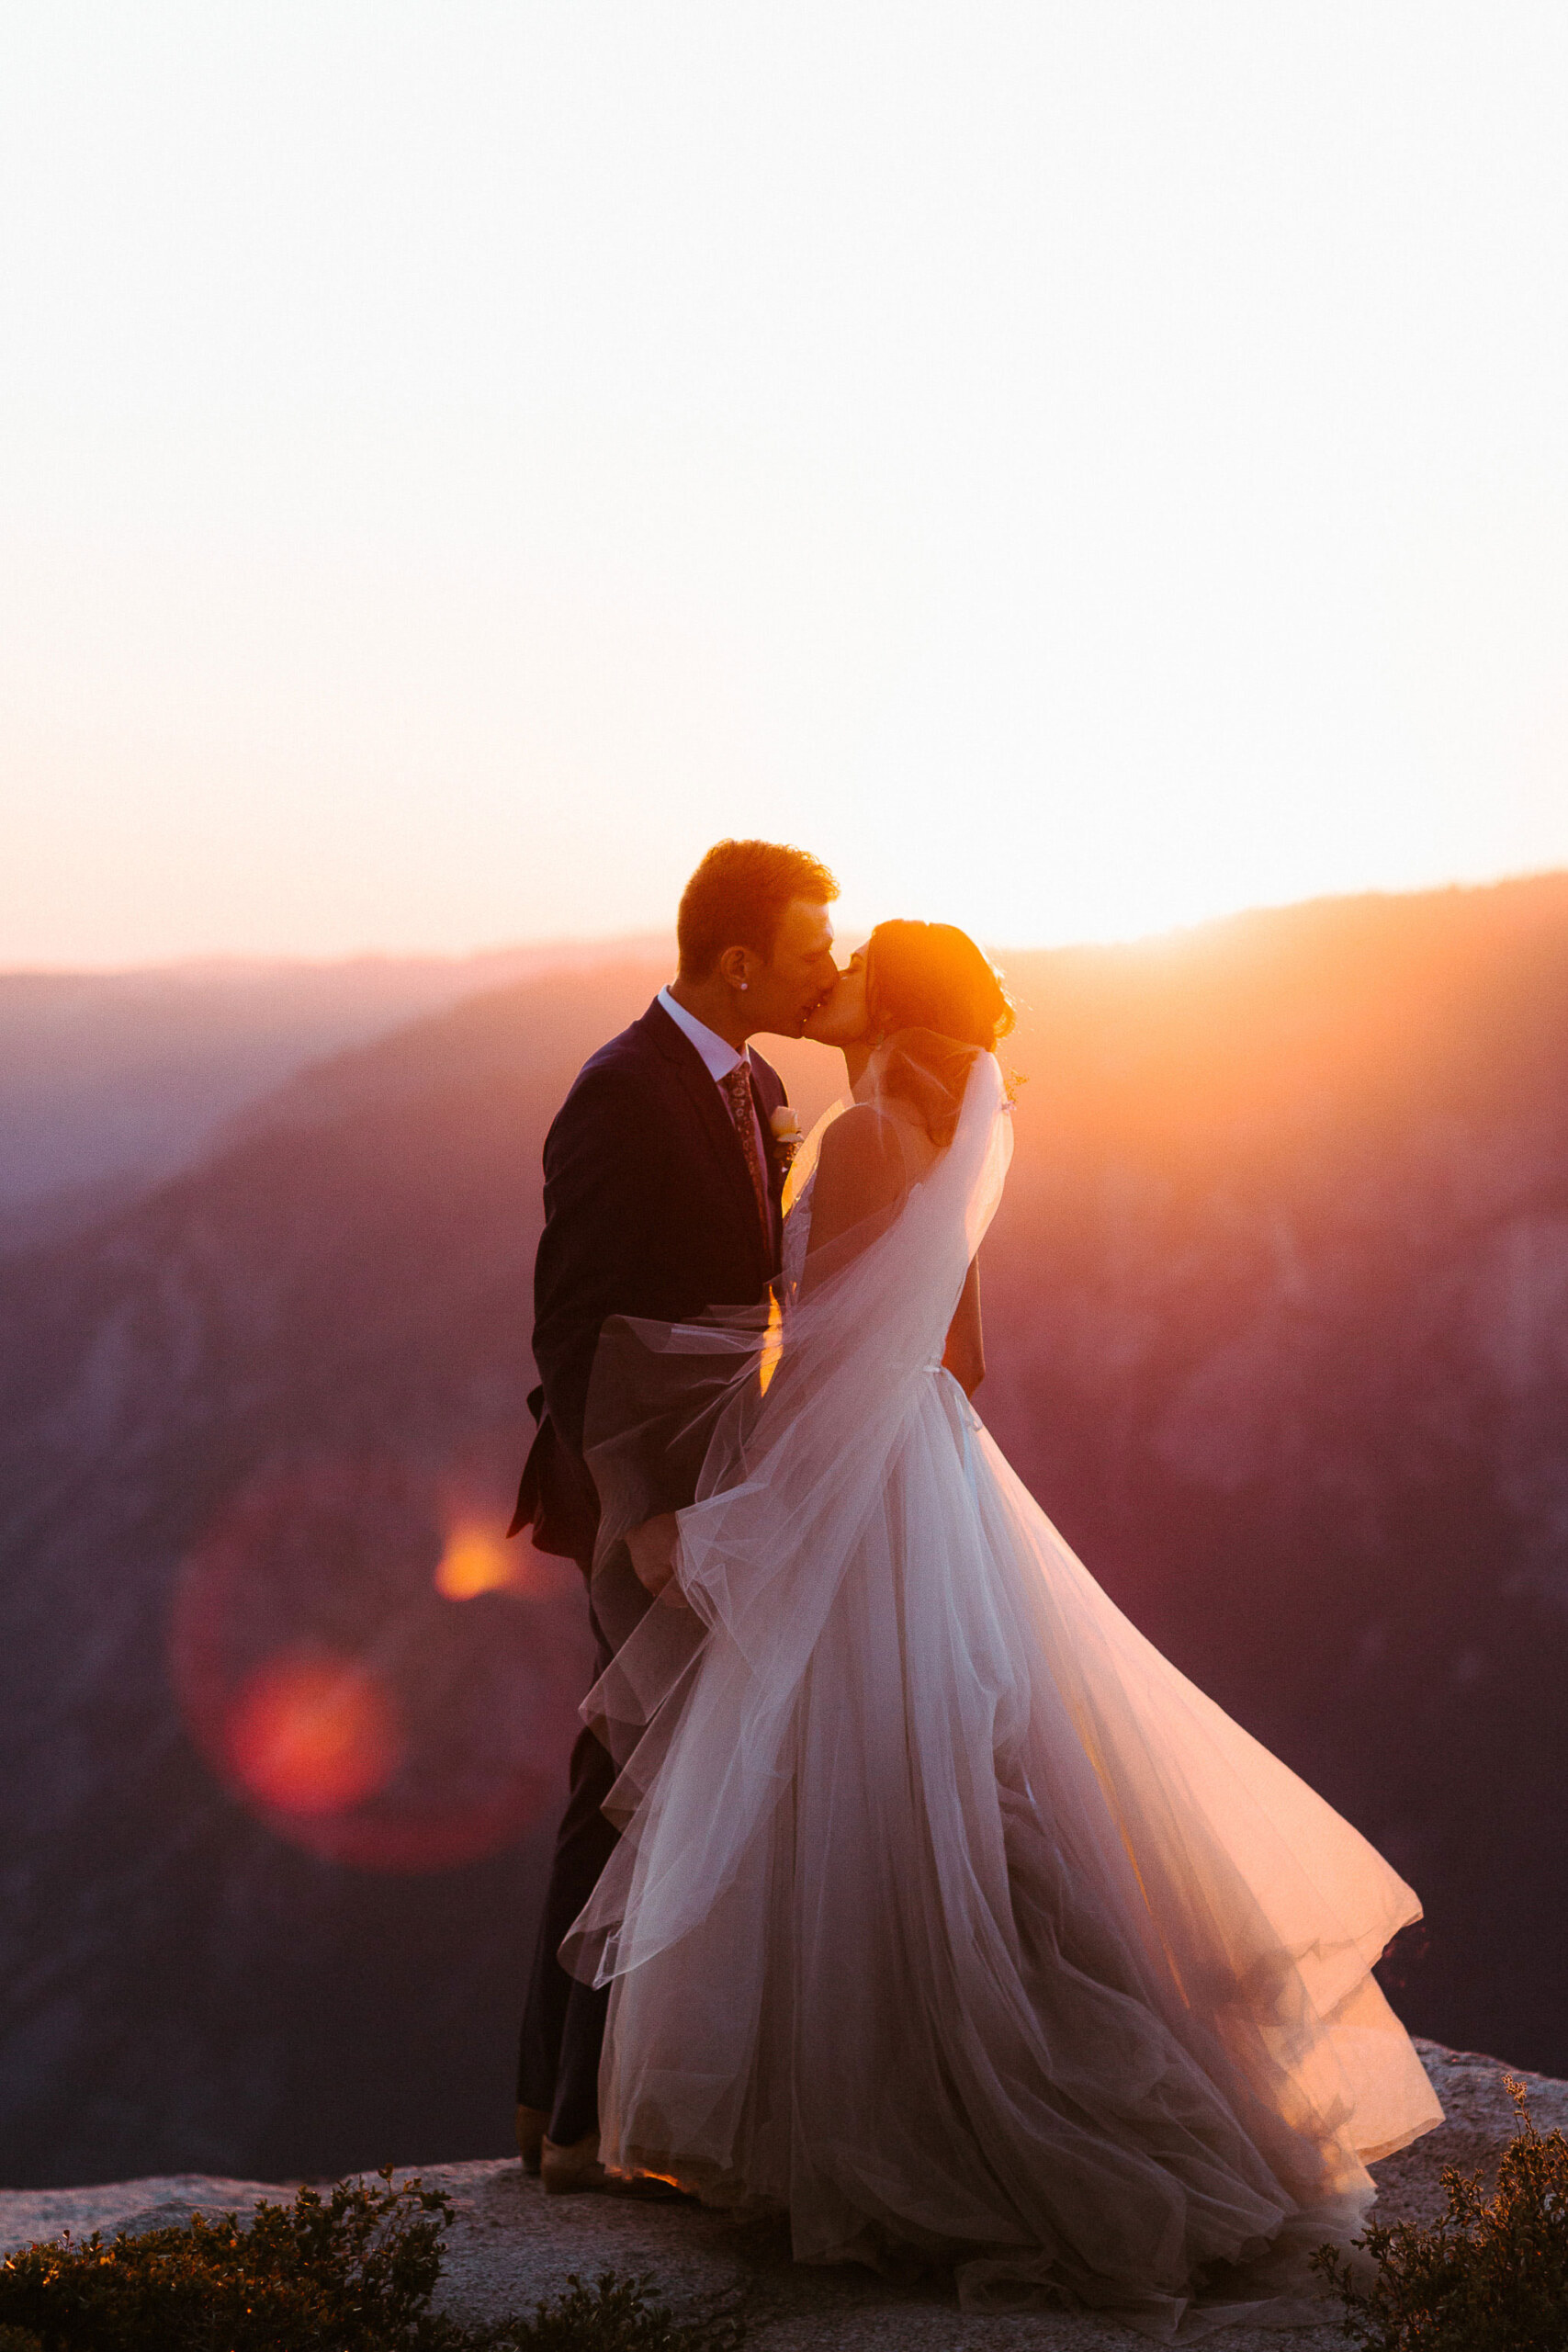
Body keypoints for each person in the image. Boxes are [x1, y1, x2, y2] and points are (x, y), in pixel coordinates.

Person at [561, 919, 1443, 2333]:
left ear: (884, 1001)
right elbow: (957, 1351)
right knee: (973, 1779)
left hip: (862, 1474)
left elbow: (836, 1350)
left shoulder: (859, 1137)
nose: (828, 980)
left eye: (851, 968)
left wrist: (743, 1514)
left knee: (871, 1783)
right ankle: (1025, 2070)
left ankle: (933, 2126)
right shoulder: (952, 1129)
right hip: (937, 1459)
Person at [510, 838, 840, 2192]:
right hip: (640, 1489)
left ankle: (603, 2106)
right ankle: (560, 2115)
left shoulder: (758, 1083)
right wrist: (637, 1515)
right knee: (622, 1770)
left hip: (728, 1472)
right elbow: (571, 1323)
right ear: (742, 958)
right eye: (814, 944)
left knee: (677, 1772)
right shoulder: (621, 1089)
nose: (831, 965)